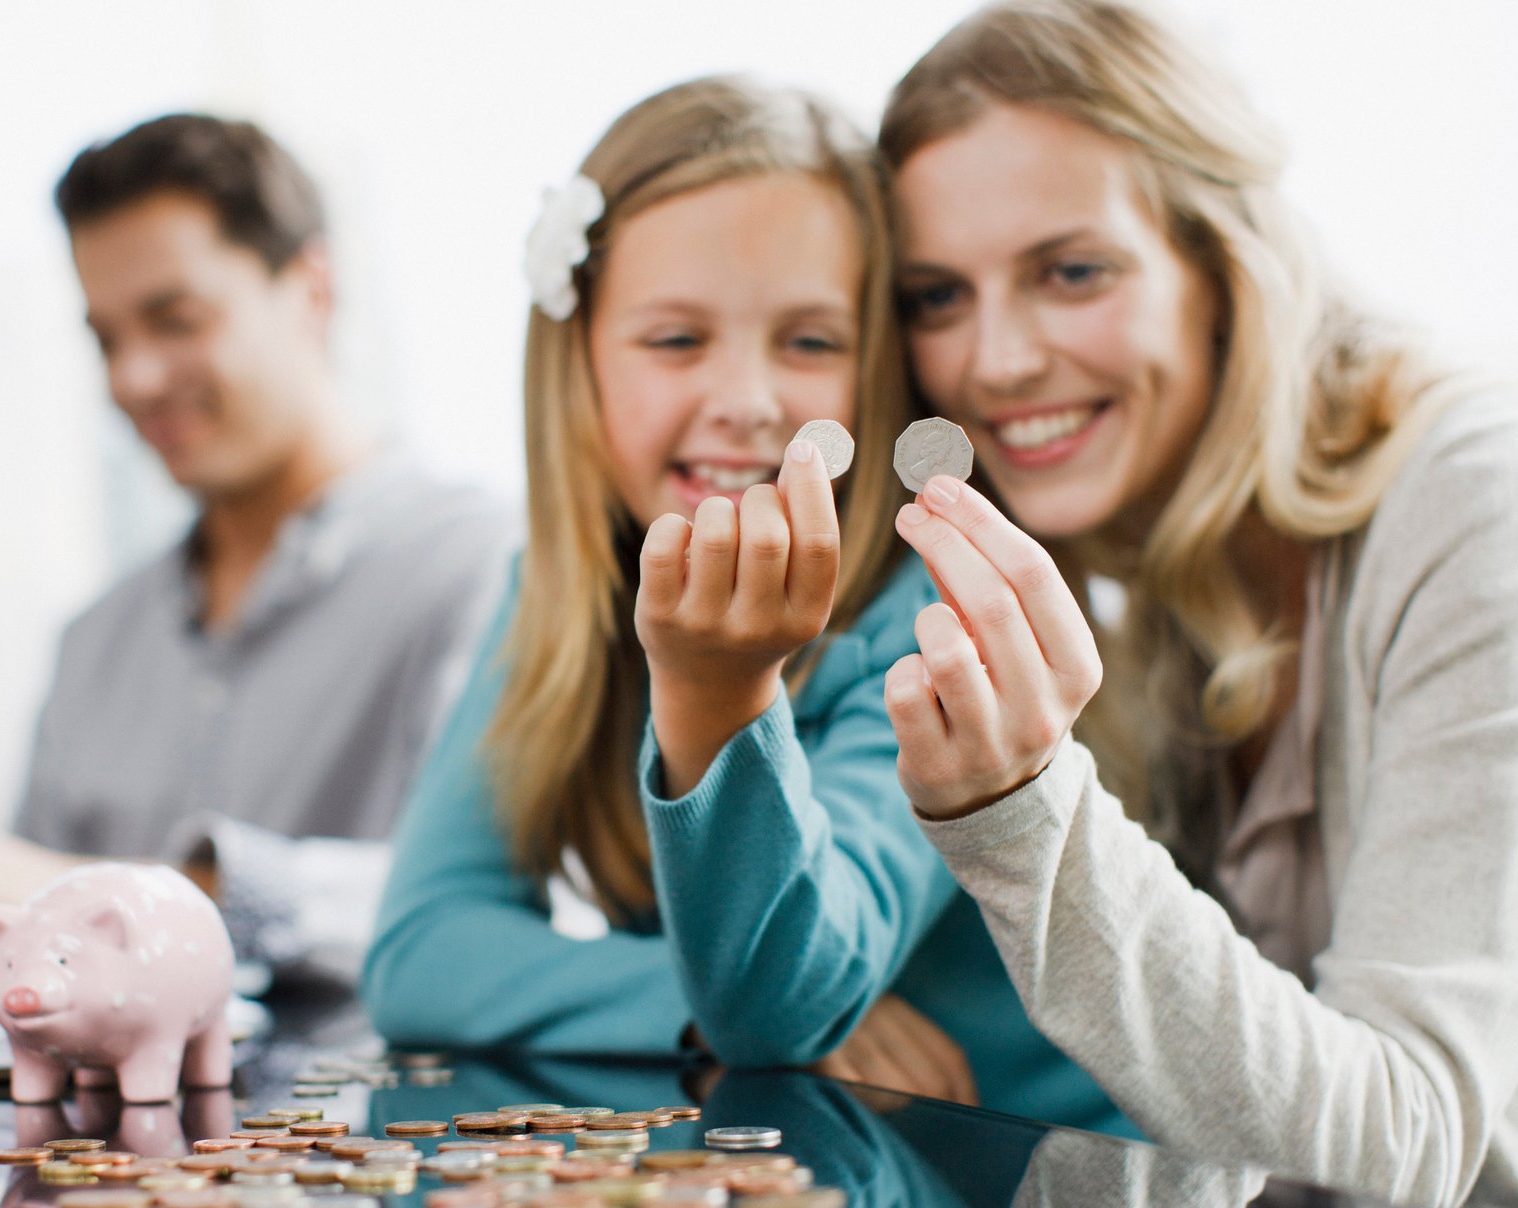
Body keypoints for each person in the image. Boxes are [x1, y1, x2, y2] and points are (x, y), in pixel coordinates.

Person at [876, 0, 1518, 1208]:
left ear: (1222, 264)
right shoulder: (1172, 576)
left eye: (1072, 271)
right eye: (938, 296)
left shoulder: (1506, 504)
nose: (995, 361)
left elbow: (1406, 1134)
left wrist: (1021, 813)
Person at [364, 76, 1131, 1136]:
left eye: (810, 343)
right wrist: (695, 1008)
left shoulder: (937, 623)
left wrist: (715, 691)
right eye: (676, 340)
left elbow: (784, 1005)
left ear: (877, 376)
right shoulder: (552, 595)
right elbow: (419, 952)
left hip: (1038, 1203)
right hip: (824, 1177)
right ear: (576, 364)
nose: (747, 400)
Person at [0, 114, 513, 988]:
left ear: (311, 292)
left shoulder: (486, 568)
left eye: (174, 320)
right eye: (104, 339)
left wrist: (116, 899)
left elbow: (482, 913)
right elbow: (22, 947)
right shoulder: (93, 641)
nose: (130, 379)